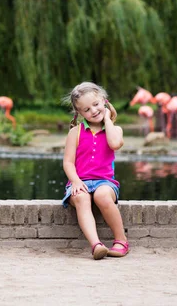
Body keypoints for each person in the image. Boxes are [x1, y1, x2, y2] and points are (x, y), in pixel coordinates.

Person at [61, 82, 129, 260]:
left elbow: (114, 144)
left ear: (104, 102)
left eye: (96, 104)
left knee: (102, 196)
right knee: (82, 198)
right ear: (80, 113)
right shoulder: (75, 132)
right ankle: (96, 245)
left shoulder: (115, 130)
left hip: (104, 182)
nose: (93, 111)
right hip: (80, 181)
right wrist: (75, 181)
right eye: (86, 109)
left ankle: (121, 240)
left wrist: (108, 119)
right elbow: (68, 162)